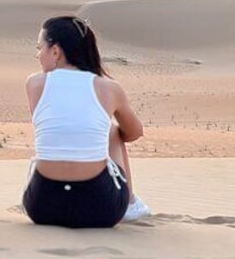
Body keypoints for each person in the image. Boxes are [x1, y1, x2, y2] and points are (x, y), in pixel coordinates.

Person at [23, 15, 151, 228]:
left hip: (43, 208)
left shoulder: (34, 84)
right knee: (112, 131)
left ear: (55, 51)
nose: (38, 55)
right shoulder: (108, 87)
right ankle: (129, 204)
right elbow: (135, 132)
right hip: (101, 209)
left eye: (40, 47)